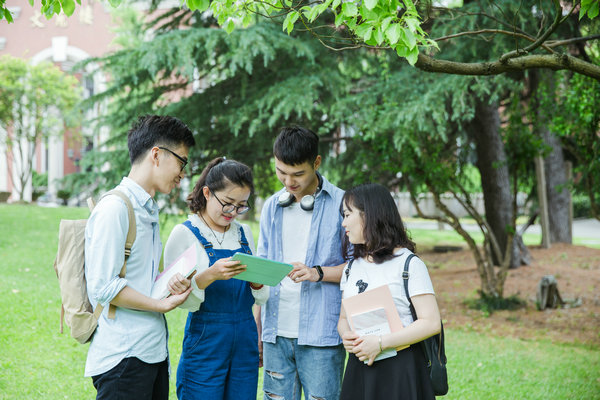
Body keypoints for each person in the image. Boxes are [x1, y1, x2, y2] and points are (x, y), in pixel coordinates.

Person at [84, 115, 196, 399]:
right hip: (124, 357)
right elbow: (104, 287)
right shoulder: (115, 208)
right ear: (157, 155)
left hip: (152, 352)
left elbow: (139, 278)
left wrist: (168, 285)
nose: (183, 172)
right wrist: (160, 304)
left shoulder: (147, 208)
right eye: (182, 161)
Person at [164, 157, 269, 400]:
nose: (233, 212)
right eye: (228, 204)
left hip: (245, 338)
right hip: (206, 338)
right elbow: (176, 300)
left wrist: (257, 282)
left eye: (241, 205)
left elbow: (260, 297)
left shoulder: (242, 234)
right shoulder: (185, 234)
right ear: (207, 192)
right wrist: (209, 275)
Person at [258, 126, 347, 400]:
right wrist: (258, 328)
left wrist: (316, 273)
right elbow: (262, 267)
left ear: (317, 163)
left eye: (298, 174)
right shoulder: (272, 206)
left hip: (322, 335)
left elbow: (360, 268)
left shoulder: (343, 204)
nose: (288, 182)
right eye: (281, 172)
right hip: (275, 333)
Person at [337, 183, 441, 400]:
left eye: (348, 215)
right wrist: (346, 335)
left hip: (401, 370)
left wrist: (381, 343)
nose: (344, 223)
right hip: (361, 369)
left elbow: (430, 322)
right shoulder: (350, 268)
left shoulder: (409, 264)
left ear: (370, 215)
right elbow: (344, 318)